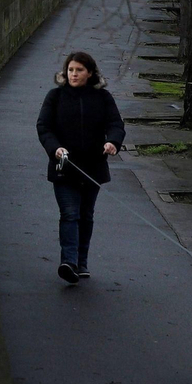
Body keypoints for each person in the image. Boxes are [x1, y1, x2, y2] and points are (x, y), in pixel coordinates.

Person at [36, 50, 126, 284]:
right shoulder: (55, 97)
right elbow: (44, 127)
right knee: (70, 214)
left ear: (89, 73)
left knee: (85, 215)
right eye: (71, 70)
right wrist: (55, 148)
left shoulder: (103, 98)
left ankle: (81, 261)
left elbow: (116, 123)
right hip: (64, 167)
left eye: (79, 70)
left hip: (93, 168)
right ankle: (69, 262)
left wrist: (112, 142)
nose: (74, 74)